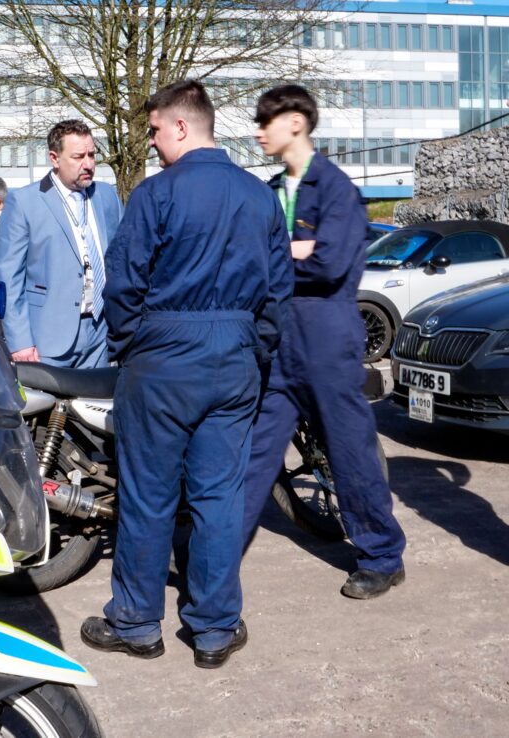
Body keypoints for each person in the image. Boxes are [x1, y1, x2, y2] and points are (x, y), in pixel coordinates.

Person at [80, 81, 293, 668]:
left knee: (148, 496)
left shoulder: (155, 195)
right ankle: (215, 629)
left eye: (153, 130)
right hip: (233, 358)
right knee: (219, 497)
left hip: (164, 359)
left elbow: (123, 285)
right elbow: (278, 293)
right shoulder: (259, 197)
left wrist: (135, 344)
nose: (149, 142)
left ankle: (136, 622)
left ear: (180, 126)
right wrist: (254, 349)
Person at [243, 85, 406, 599]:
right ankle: (214, 556)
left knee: (349, 451)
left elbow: (329, 264)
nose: (258, 130)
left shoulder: (335, 188)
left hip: (326, 341)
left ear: (295, 122)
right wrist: (293, 251)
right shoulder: (271, 190)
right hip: (279, 342)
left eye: (265, 120)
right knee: (253, 457)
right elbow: (256, 260)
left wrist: (281, 255)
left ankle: (381, 554)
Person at [0, 119, 123, 368]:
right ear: (54, 158)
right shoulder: (24, 202)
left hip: (101, 333)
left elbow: (122, 259)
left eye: (91, 155)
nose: (88, 164)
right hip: (47, 338)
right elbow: (8, 278)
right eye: (78, 157)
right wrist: (20, 341)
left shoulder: (106, 196)